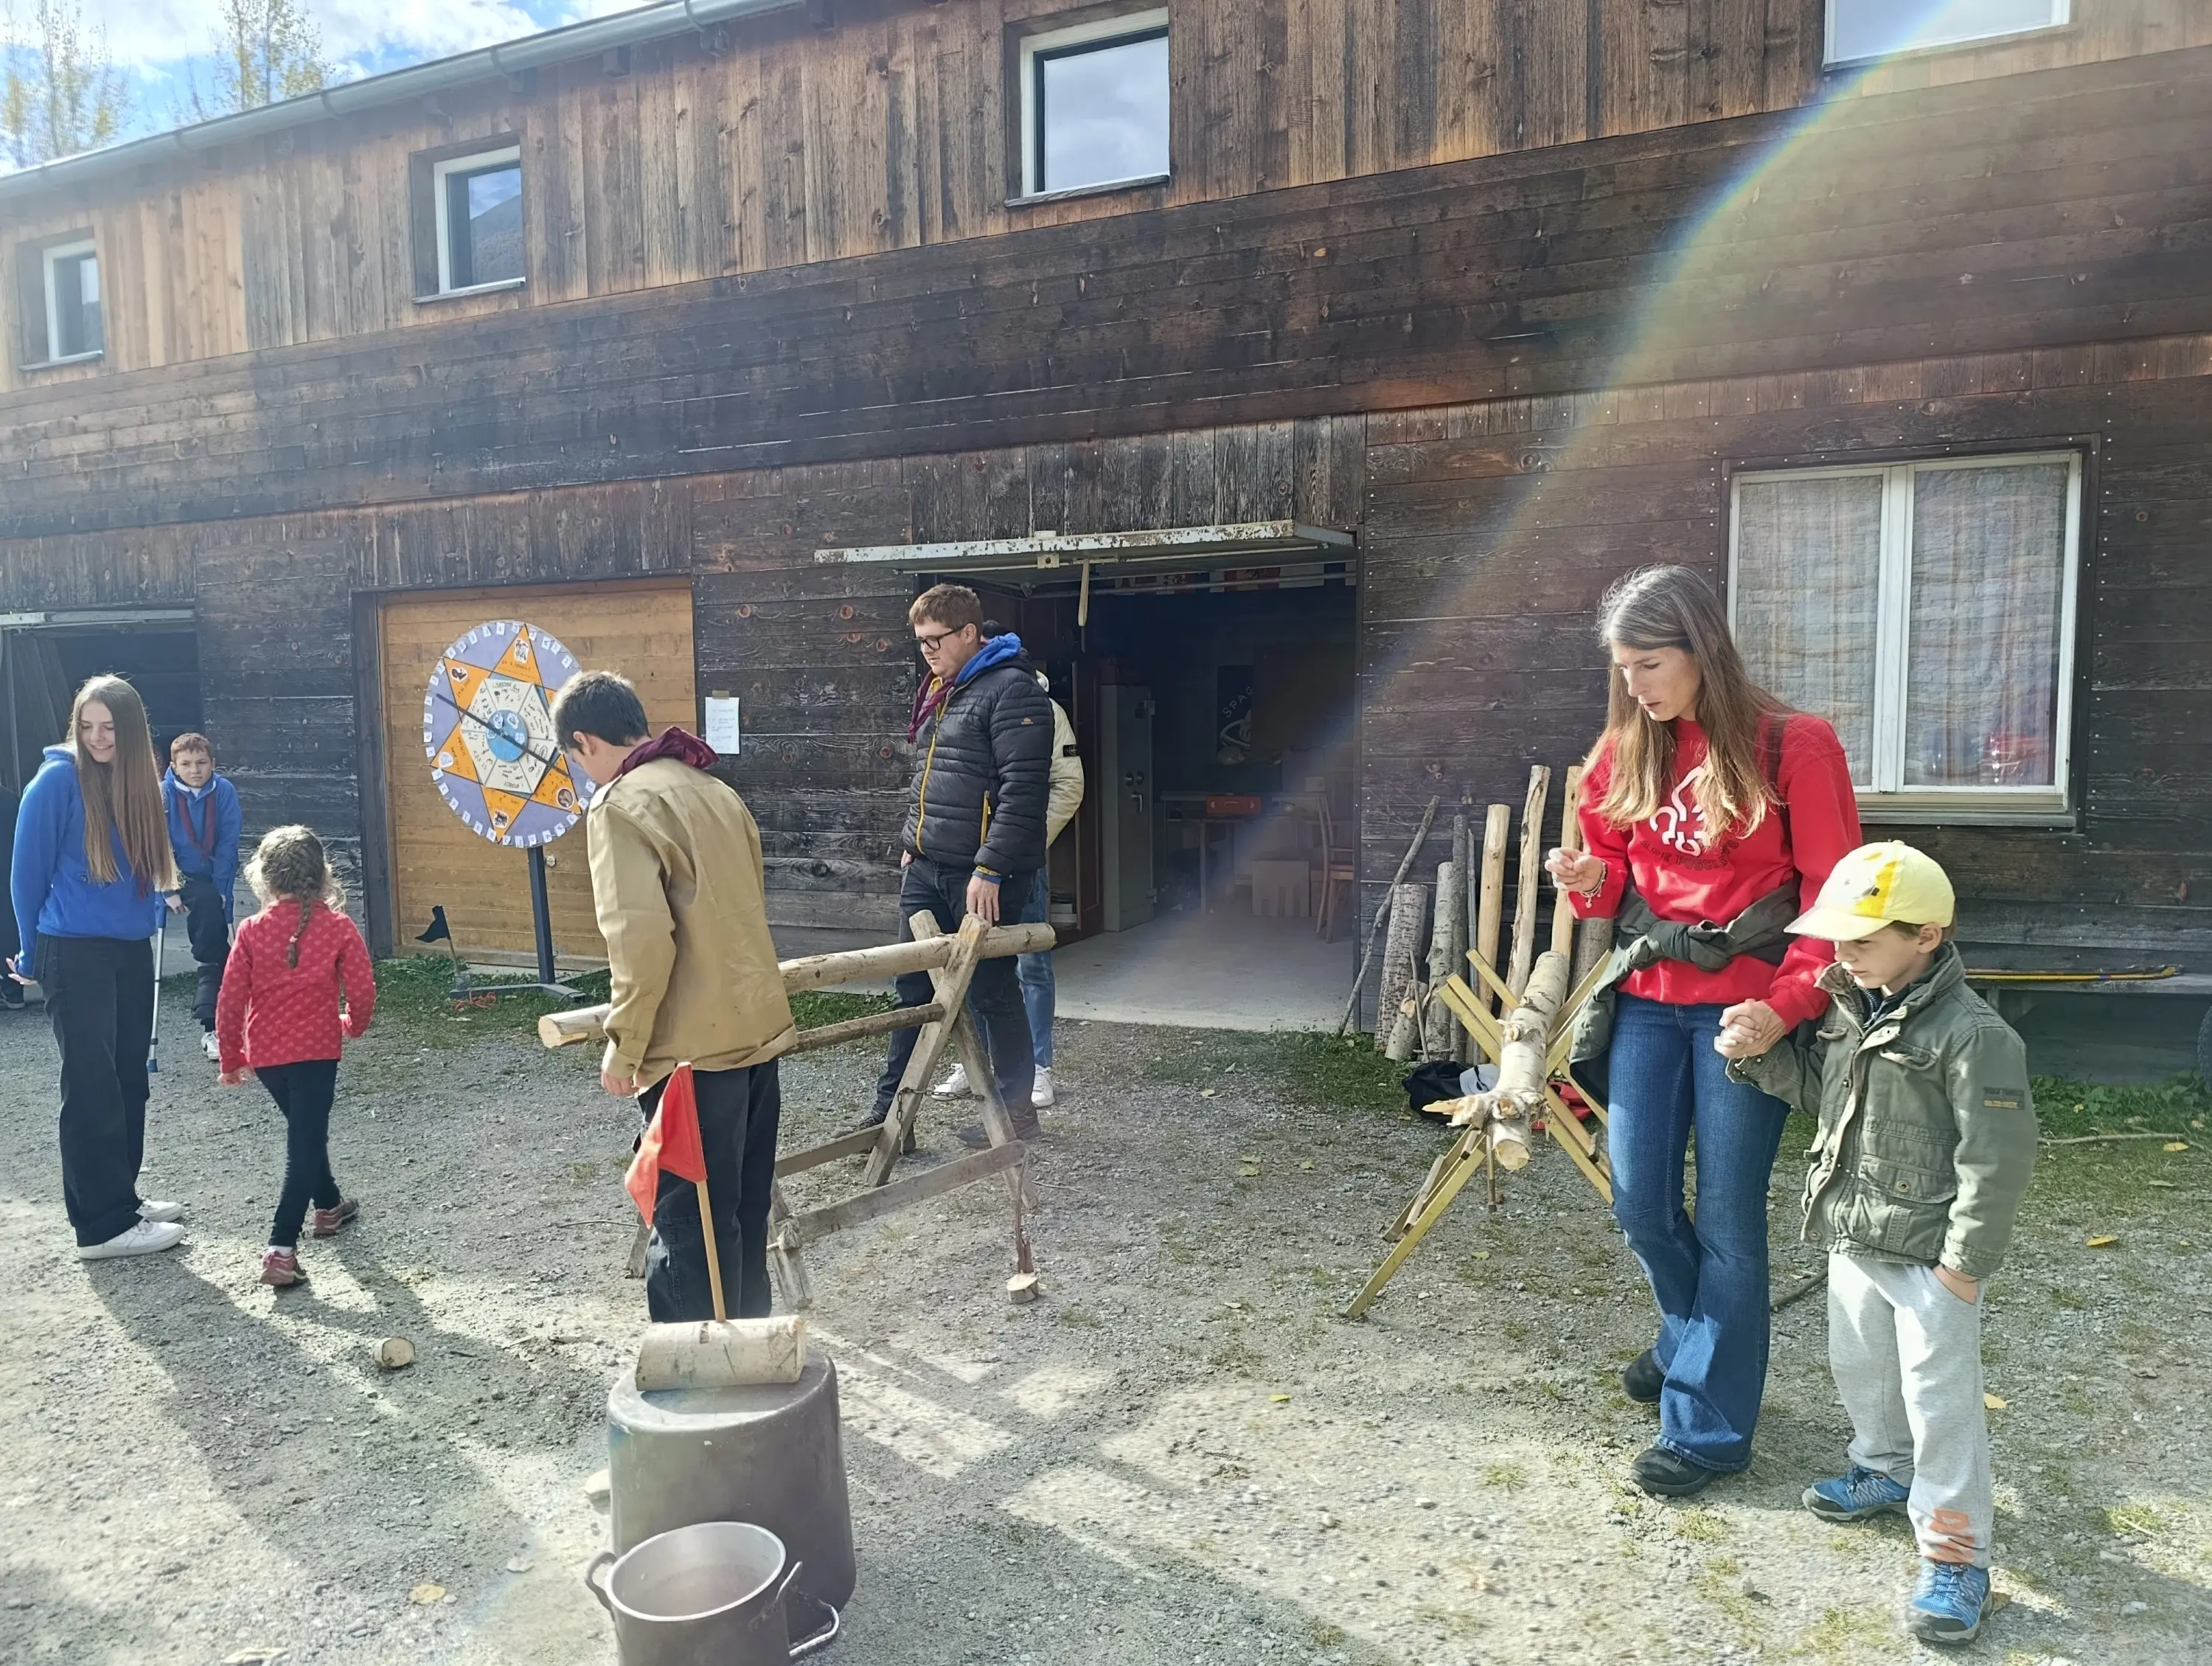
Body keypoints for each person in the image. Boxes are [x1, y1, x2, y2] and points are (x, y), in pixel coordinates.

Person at [1545, 564, 1860, 1497]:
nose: (1634, 686)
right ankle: (1688, 1343)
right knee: (1639, 1203)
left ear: (1701, 648)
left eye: (1649, 664)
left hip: (1747, 1014)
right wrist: (1581, 877)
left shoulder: (1795, 745)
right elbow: (1612, 873)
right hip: (1647, 1001)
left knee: (1727, 1223)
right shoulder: (1624, 750)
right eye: (1623, 668)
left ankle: (1709, 1431)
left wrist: (1789, 1008)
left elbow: (1832, 901)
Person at [1720, 843, 2034, 1645]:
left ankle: (1957, 1555)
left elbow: (1995, 1162)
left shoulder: (1976, 1036)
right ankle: (1885, 1471)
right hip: (1854, 1231)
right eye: (1838, 938)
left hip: (1931, 1256)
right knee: (1861, 1366)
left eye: (1862, 939)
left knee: (1942, 1404)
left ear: (1927, 935)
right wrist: (1760, 1059)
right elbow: (1828, 1099)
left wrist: (1964, 1264)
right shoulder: (1849, 1006)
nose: (1842, 953)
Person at [551, 670, 796, 1322]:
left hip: (691, 1049)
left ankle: (695, 1387)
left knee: (690, 1225)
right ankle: (751, 1363)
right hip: (756, 1029)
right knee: (741, 1210)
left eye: (574, 761)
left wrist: (623, 1045)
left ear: (583, 741)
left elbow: (640, 940)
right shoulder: (715, 790)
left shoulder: (620, 805)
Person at [862, 585, 1051, 1146]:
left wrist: (990, 867)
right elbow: (931, 778)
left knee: (993, 992)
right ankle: (892, 1119)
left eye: (934, 641)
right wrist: (912, 841)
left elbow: (1023, 792)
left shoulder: (1013, 691)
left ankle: (1018, 1114)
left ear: (970, 632)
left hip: (982, 874)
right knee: (910, 992)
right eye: (919, 643)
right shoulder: (946, 689)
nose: (926, 652)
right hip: (927, 866)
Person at [7, 675, 186, 1260]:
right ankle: (100, 1226)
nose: (97, 737)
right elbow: (25, 876)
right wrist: (32, 952)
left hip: (128, 949)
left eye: (109, 727)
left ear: (131, 731)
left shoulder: (140, 783)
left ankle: (123, 1198)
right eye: (87, 726)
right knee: (92, 1086)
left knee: (129, 1079)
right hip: (73, 950)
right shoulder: (57, 780)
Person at [215, 825, 375, 1288]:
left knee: (306, 1131)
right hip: (317, 1053)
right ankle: (281, 1249)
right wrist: (353, 1024)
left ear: (263, 878)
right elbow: (362, 990)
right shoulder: (339, 927)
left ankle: (328, 1207)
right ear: (324, 874)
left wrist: (231, 1058)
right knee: (304, 1142)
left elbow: (228, 1000)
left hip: (266, 1057)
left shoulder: (251, 931)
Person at [937, 663, 1083, 1110]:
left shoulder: (1044, 709)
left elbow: (1068, 785)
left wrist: (1026, 842)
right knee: (969, 963)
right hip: (967, 865)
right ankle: (975, 1061)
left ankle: (1039, 1068)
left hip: (1018, 864)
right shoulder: (956, 702)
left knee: (1030, 963)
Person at [162, 731, 243, 1061]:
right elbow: (157, 844)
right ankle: (218, 1021)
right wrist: (168, 887)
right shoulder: (163, 795)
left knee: (211, 908)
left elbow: (228, 841)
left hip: (211, 880)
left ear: (213, 764)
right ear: (174, 766)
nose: (194, 770)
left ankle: (213, 1023)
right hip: (177, 876)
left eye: (201, 763)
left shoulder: (223, 791)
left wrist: (224, 888)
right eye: (186, 764)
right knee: (216, 939)